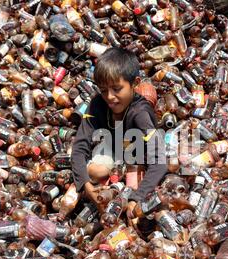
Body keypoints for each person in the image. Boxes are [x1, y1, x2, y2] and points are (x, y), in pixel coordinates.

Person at [71, 47, 167, 217]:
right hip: (113, 148)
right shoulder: (97, 103)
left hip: (138, 158)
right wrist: (85, 185)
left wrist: (136, 198)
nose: (110, 97)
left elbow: (159, 162)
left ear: (135, 83)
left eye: (117, 89)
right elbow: (79, 146)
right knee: (96, 172)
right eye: (103, 90)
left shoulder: (140, 113)